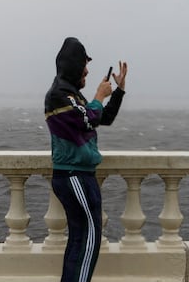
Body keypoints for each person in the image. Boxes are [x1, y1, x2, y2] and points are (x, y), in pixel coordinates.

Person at [44, 37, 127, 282]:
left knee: (80, 239)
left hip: (77, 176)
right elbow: (88, 119)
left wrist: (118, 91)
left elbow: (103, 118)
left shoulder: (72, 96)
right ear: (73, 65)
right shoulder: (59, 95)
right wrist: (99, 96)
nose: (87, 70)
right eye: (84, 65)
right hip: (73, 176)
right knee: (90, 238)